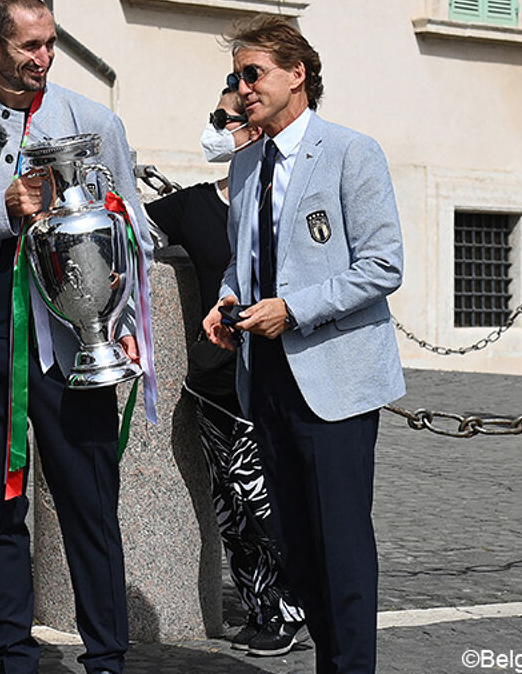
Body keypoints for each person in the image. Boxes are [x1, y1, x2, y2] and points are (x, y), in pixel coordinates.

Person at [0, 0, 152, 674]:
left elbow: (133, 229)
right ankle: (14, 655)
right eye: (29, 46)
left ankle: (107, 657)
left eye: (50, 44)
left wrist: (125, 316)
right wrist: (2, 208)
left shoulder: (93, 120)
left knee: (90, 501)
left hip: (75, 338)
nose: (44, 58)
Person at [203, 15, 405, 674]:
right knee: (294, 543)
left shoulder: (351, 151)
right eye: (237, 75)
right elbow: (246, 259)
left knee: (339, 543)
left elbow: (383, 266)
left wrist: (293, 311)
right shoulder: (247, 160)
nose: (243, 87)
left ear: (298, 74)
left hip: (334, 376)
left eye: (253, 73)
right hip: (263, 375)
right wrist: (227, 300)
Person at [145, 90, 307, 656]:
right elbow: (128, 230)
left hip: (279, 378)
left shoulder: (286, 201)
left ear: (255, 126)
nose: (212, 127)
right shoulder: (192, 205)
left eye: (222, 118)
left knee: (267, 502)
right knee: (232, 507)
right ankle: (261, 607)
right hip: (216, 381)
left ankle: (294, 606)